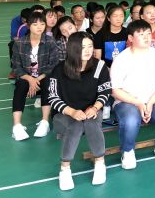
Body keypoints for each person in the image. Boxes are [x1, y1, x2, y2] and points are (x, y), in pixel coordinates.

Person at [48, 32, 111, 190]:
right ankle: (65, 169)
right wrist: (72, 112)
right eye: (83, 47)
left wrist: (95, 107)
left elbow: (105, 91)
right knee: (75, 125)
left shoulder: (99, 66)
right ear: (73, 48)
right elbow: (53, 97)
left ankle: (100, 163)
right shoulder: (59, 70)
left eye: (90, 46)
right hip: (64, 114)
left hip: (91, 110)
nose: (88, 50)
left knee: (91, 123)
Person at [111, 20, 155, 169]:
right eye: (141, 34)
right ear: (130, 38)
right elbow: (115, 90)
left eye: (148, 33)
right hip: (127, 100)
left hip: (154, 97)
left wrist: (151, 102)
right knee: (130, 120)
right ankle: (127, 151)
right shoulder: (121, 59)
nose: (147, 37)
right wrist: (138, 103)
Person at [11, 12, 60, 141]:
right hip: (26, 77)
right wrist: (30, 79)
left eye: (42, 24)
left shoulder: (50, 41)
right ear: (28, 26)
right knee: (20, 86)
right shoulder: (19, 43)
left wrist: (37, 79)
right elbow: (16, 67)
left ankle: (45, 122)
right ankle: (16, 125)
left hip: (43, 77)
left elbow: (54, 64)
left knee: (47, 83)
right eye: (35, 24)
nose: (39, 27)